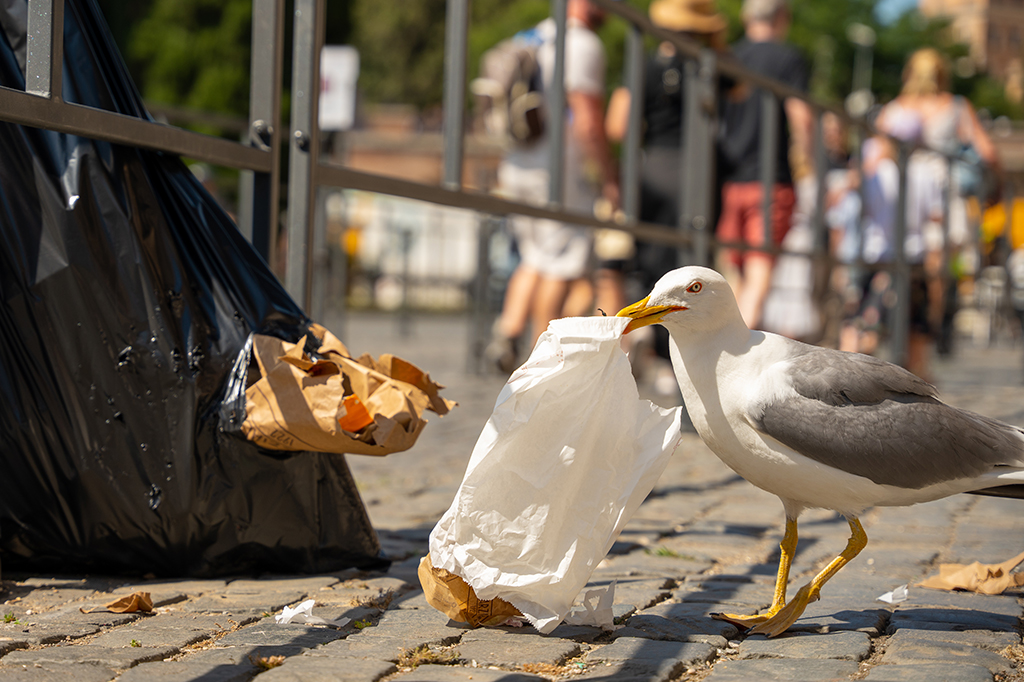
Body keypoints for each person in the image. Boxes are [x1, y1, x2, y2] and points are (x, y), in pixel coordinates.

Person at [486, 0, 619, 372]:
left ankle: (508, 330)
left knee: (533, 256)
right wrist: (609, 175)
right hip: (559, 172)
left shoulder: (535, 34)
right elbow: (588, 120)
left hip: (517, 163)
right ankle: (539, 358)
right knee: (560, 264)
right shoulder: (583, 44)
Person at [874, 47, 1001, 379]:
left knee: (898, 268)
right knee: (934, 276)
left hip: (901, 198)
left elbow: (875, 151)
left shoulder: (895, 108)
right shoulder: (956, 107)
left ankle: (895, 335)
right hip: (942, 201)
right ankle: (924, 348)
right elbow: (988, 152)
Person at [715, 0, 812, 330]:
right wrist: (808, 164)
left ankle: (725, 347)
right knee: (760, 271)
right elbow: (802, 116)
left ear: (746, 17)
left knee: (738, 274)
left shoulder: (728, 56)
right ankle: (735, 357)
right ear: (783, 17)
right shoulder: (788, 58)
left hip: (728, 180)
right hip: (770, 180)